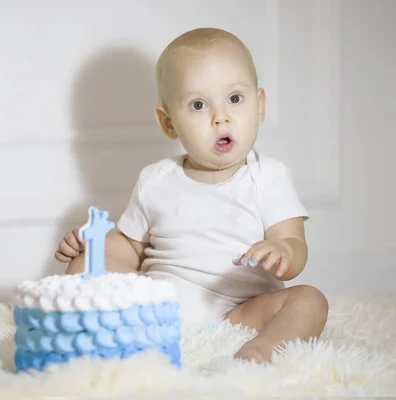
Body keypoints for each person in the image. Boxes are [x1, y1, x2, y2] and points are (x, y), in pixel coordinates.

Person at [54, 27, 329, 364]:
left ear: (260, 106)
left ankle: (261, 350)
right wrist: (94, 247)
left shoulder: (268, 177)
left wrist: (283, 250)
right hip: (161, 307)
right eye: (198, 105)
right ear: (168, 123)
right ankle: (91, 335)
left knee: (310, 301)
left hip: (241, 314)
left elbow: (295, 247)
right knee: (84, 266)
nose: (221, 117)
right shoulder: (156, 180)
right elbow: (131, 249)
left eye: (235, 99)